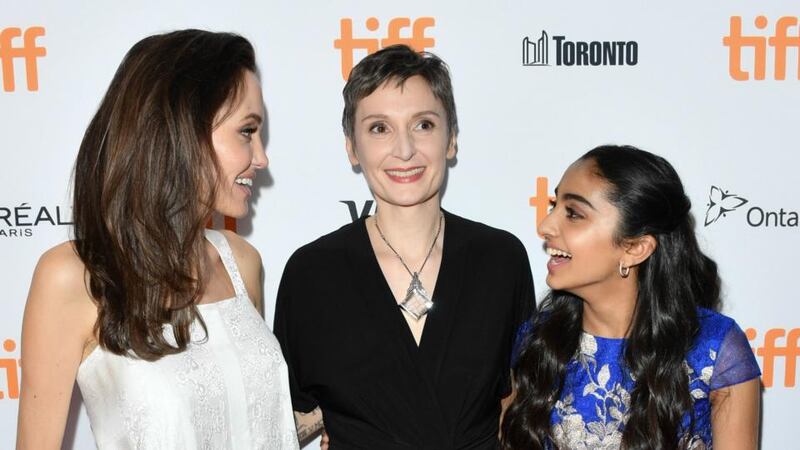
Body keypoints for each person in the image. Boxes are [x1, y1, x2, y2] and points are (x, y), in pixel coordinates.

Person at [16, 30, 299, 449]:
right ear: (181, 129)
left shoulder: (243, 262)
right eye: (246, 131)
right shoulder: (74, 277)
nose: (261, 157)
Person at [273, 44, 536, 449]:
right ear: (351, 148)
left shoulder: (501, 260)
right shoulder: (311, 273)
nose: (404, 150)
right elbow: (286, 417)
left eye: (423, 125)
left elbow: (518, 404)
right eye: (379, 128)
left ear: (451, 139)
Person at [501, 145, 761, 449]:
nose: (545, 226)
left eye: (573, 213)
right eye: (554, 204)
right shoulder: (537, 342)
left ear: (635, 248)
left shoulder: (715, 350)